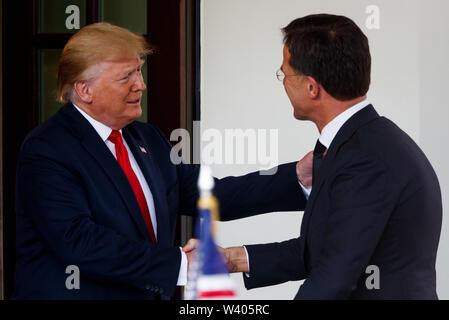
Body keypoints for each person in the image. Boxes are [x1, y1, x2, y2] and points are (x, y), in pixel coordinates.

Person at [13, 22, 309, 299]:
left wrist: (297, 177)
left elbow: (211, 193)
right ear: (84, 89)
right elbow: (79, 241)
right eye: (126, 76)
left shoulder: (146, 138)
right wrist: (181, 263)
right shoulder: (47, 149)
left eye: (139, 72)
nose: (140, 85)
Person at [223, 14, 442, 299]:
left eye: (285, 74)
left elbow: (332, 281)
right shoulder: (363, 142)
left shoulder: (366, 159)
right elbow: (325, 249)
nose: (283, 83)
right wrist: (234, 258)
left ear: (312, 87)